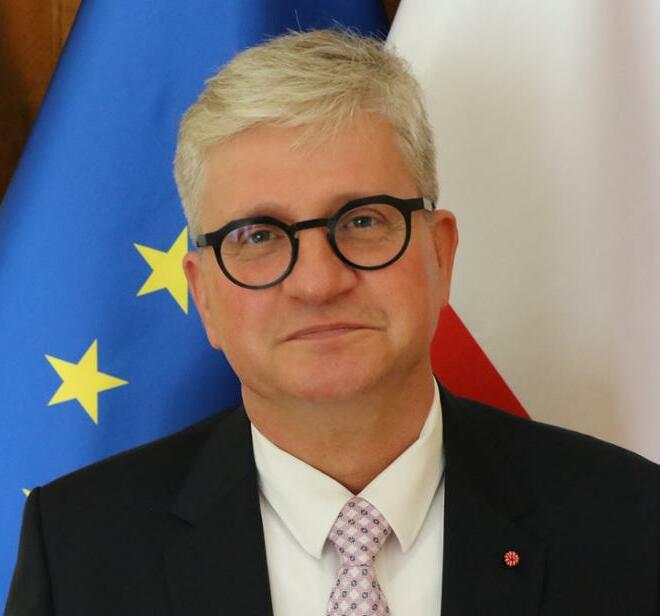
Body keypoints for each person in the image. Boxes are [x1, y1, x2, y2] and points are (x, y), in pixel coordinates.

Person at [5, 29, 660, 616]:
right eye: (259, 235)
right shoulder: (80, 549)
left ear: (440, 254)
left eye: (363, 220)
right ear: (203, 295)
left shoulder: (629, 522)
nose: (318, 283)